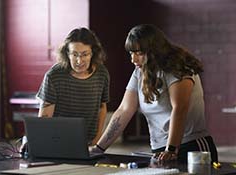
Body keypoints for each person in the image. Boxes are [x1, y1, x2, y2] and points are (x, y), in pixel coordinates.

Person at [91, 24, 218, 162]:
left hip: (190, 147)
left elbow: (180, 108)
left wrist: (171, 149)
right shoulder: (140, 72)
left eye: (139, 53)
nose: (133, 59)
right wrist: (99, 148)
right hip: (160, 149)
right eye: (131, 53)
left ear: (155, 50)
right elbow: (124, 109)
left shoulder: (178, 68)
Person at [36, 27, 110, 145]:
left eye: (84, 54)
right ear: (67, 53)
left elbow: (102, 107)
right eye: (74, 54)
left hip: (88, 142)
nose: (79, 61)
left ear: (93, 53)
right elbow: (45, 117)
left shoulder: (102, 74)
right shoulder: (53, 76)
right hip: (57, 141)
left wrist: (97, 139)